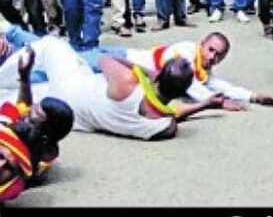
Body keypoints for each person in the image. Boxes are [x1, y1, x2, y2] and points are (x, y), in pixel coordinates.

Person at [4, 24, 273, 109]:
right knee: (60, 53)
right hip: (117, 57)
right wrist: (216, 103)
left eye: (219, 56)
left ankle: (14, 60)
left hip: (115, 75)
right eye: (211, 50)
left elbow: (219, 84)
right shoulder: (184, 52)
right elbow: (195, 88)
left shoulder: (203, 70)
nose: (213, 57)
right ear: (202, 43)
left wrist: (253, 96)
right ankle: (12, 32)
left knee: (48, 72)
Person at [0, 32, 216, 141]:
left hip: (73, 84)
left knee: (51, 44)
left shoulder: (128, 83)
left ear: (158, 75)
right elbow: (174, 113)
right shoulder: (165, 126)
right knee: (11, 98)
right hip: (70, 114)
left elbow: (105, 60)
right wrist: (206, 104)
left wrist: (146, 73)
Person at [0, 41, 74, 217]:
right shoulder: (22, 133)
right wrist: (25, 75)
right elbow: (23, 105)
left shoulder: (15, 165)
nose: (28, 114)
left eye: (35, 116)